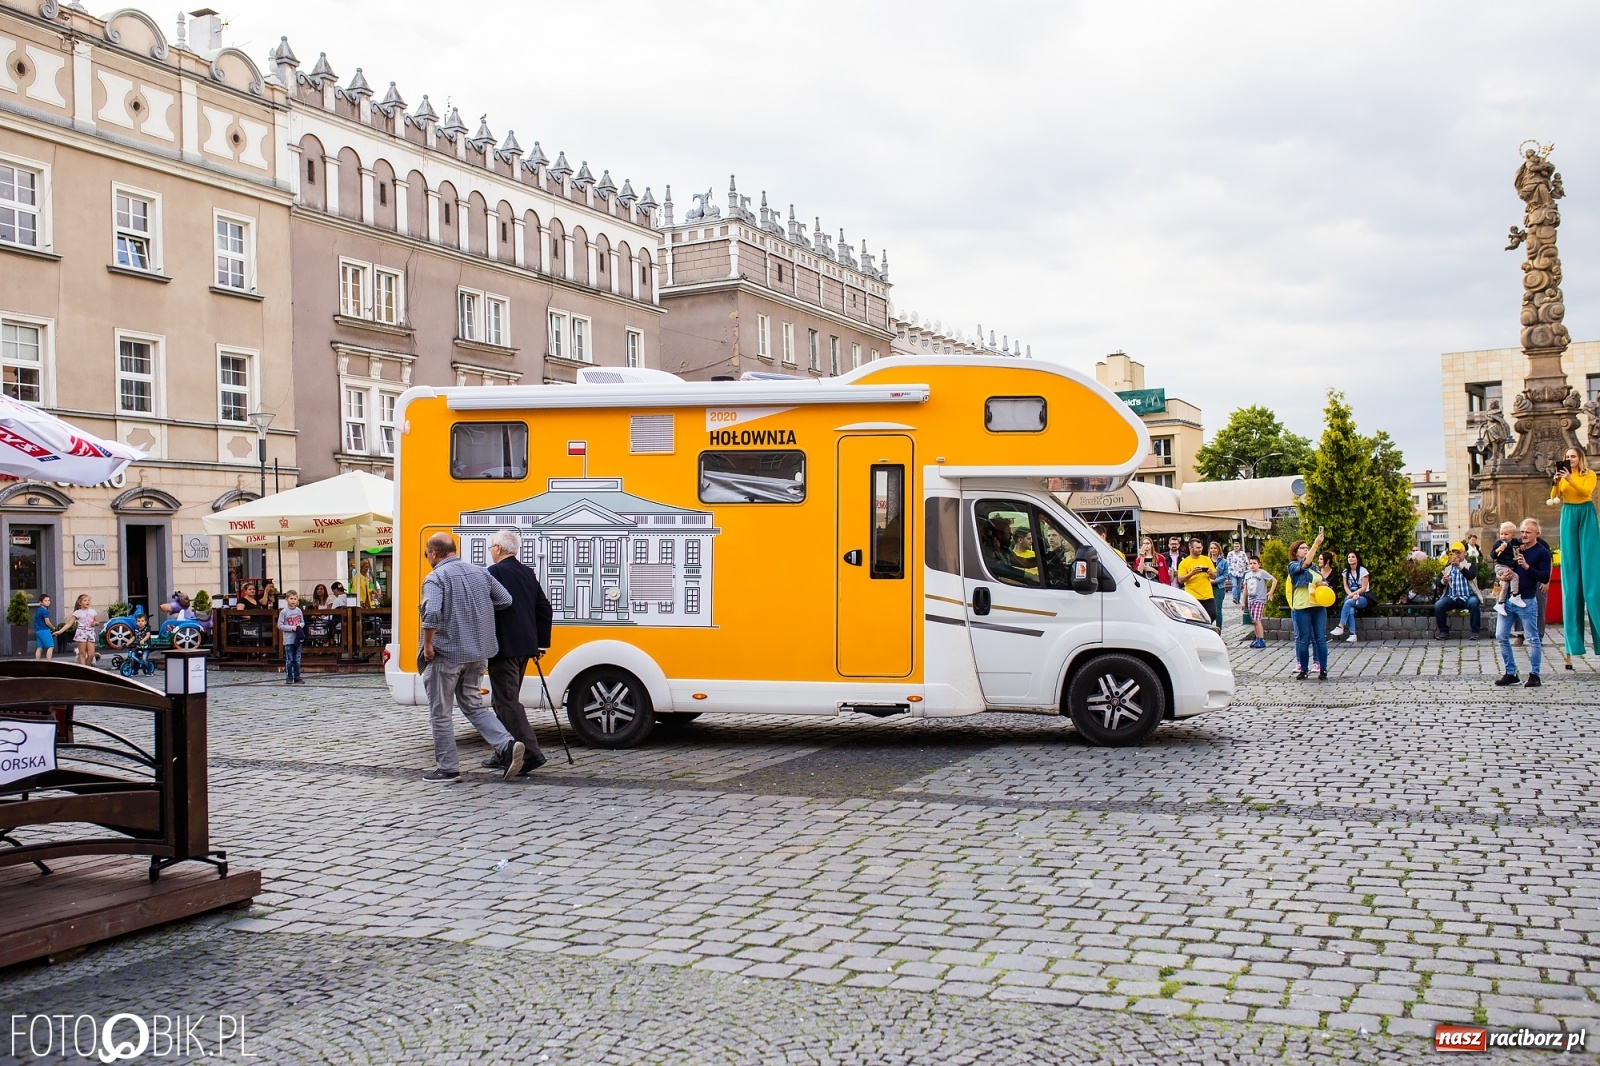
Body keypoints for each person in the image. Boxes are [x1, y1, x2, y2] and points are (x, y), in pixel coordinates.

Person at [419, 531, 526, 783]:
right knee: (473, 704)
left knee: (440, 710)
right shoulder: (481, 573)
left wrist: (427, 645)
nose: (427, 558)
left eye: (427, 554)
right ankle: (507, 745)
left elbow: (431, 613)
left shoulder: (436, 578)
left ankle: (448, 768)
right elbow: (505, 600)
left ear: (433, 553)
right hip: (478, 653)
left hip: (447, 654)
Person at [485, 528, 553, 777]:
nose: (491, 552)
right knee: (502, 700)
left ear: (499, 549)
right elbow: (544, 608)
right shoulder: (527, 572)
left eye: (491, 547)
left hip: (505, 647)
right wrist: (540, 643)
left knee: (506, 701)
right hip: (526, 646)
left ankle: (532, 753)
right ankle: (503, 750)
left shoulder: (495, 572)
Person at [1549, 446, 1600, 659]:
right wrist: (1555, 483)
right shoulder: (1563, 476)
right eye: (1567, 457)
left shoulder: (1589, 475)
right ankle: (1574, 645)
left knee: (1592, 583)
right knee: (1571, 576)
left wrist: (1569, 479)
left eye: (1573, 456)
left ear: (1580, 458)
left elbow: (1586, 492)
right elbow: (1555, 497)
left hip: (1586, 513)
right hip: (1568, 513)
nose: (1570, 459)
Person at [1493, 517, 1550, 687]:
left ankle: (1534, 674)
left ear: (1537, 534)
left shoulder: (1541, 552)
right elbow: (1500, 564)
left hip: (1526, 600)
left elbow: (1544, 576)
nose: (1524, 535)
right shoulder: (1515, 546)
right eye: (1523, 531)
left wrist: (1527, 567)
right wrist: (1500, 576)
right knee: (1501, 635)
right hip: (1508, 600)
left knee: (1533, 638)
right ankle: (1511, 673)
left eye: (1528, 532)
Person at [1286, 532, 1329, 680]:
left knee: (1320, 638)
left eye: (1307, 547)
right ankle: (1303, 669)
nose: (1306, 549)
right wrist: (1316, 545)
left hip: (1318, 605)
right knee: (1304, 639)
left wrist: (1323, 583)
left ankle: (1323, 669)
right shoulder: (1292, 566)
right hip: (1302, 606)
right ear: (1295, 552)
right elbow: (1304, 565)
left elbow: (1322, 580)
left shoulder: (1315, 567)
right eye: (1302, 548)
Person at [1433, 545, 1482, 640]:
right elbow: (1438, 583)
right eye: (1454, 553)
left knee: (1474, 603)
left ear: (1464, 553)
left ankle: (1475, 632)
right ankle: (1444, 631)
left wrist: (1459, 565)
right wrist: (1444, 581)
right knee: (1438, 605)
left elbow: (1471, 576)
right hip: (1452, 597)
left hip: (1467, 596)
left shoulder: (1471, 565)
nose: (1456, 555)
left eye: (1458, 553)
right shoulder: (1448, 568)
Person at [1329, 551, 1371, 642]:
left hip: (1363, 596)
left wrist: (1353, 595)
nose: (1350, 559)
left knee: (1348, 603)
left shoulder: (1363, 571)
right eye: (1349, 557)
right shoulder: (1346, 572)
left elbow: (1364, 588)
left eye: (1353, 557)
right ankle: (1353, 634)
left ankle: (1341, 626)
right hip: (1351, 595)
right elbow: (1346, 586)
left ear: (1357, 559)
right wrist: (1350, 594)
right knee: (1350, 609)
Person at [1176, 538, 1218, 627]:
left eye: (1201, 547)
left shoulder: (1206, 559)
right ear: (1191, 548)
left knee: (1212, 614)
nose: (1200, 549)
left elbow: (1214, 576)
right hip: (1192, 596)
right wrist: (1191, 573)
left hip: (1207, 595)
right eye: (1197, 548)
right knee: (1195, 619)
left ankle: (1207, 630)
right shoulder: (1184, 563)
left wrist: (1211, 573)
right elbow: (1180, 579)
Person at [1489, 522, 1524, 619]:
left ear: (1512, 535)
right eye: (1501, 534)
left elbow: (1519, 543)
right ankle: (1515, 595)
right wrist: (1498, 550)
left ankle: (1500, 603)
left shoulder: (1514, 542)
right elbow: (1492, 556)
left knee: (1505, 584)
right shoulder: (1498, 543)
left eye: (1506, 534)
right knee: (1515, 577)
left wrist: (1521, 545)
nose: (1503, 536)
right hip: (1501, 566)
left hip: (1509, 567)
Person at [1243, 554, 1277, 649]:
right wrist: (1243, 602)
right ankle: (1257, 638)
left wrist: (1271, 592)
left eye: (1254, 563)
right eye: (1250, 563)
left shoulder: (1262, 573)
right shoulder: (1247, 575)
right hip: (1250, 600)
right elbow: (1245, 589)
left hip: (1259, 599)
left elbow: (1274, 580)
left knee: (1257, 620)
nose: (1252, 565)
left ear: (1259, 564)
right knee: (1254, 621)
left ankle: (1261, 639)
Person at [278, 590, 306, 685]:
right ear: (287, 599)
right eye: (291, 599)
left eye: (295, 599)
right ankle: (289, 677)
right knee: (289, 659)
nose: (293, 601)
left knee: (297, 658)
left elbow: (303, 622)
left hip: (297, 638)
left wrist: (300, 626)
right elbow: (280, 625)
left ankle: (297, 676)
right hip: (289, 639)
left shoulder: (299, 610)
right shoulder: (284, 612)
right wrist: (291, 628)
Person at [1226, 539, 1250, 618]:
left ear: (1239, 547)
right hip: (1233, 572)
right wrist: (1228, 571)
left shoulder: (1242, 554)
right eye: (1235, 546)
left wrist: (1248, 570)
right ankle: (1235, 598)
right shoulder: (1230, 554)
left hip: (1241, 572)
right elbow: (1228, 563)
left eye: (1237, 546)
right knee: (1234, 585)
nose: (1236, 547)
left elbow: (1246, 562)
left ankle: (1238, 599)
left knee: (1239, 586)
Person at [71, 594, 98, 666]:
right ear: (80, 603)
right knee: (82, 653)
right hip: (81, 632)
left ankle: (87, 666)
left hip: (90, 632)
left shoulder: (92, 611)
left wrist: (95, 623)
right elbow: (69, 624)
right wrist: (60, 631)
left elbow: (97, 621)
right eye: (85, 600)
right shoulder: (77, 613)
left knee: (91, 654)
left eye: (88, 600)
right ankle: (84, 668)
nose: (87, 602)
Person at [1206, 541, 1228, 627]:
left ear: (1219, 549)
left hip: (1219, 587)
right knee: (1208, 610)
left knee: (1217, 610)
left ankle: (1219, 630)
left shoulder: (1223, 562)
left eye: (1215, 548)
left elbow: (1225, 576)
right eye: (1211, 548)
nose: (1213, 550)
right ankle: (1209, 628)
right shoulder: (1206, 560)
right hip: (1207, 587)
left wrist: (1214, 581)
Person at [31, 594, 57, 660]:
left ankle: (37, 661)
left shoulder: (38, 610)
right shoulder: (45, 611)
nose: (48, 602)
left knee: (39, 647)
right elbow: (47, 622)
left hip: (37, 631)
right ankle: (48, 662)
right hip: (44, 630)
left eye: (48, 600)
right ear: (40, 602)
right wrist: (53, 628)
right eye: (45, 600)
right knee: (50, 646)